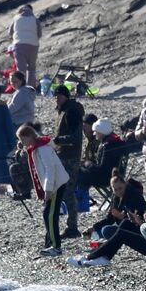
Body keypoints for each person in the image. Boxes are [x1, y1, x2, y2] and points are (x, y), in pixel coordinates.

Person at [73, 176, 146, 266]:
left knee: (121, 234)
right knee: (124, 225)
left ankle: (93, 257)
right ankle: (103, 255)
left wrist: (144, 221)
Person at [18, 122, 71, 256]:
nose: (22, 143)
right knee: (47, 214)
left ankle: (56, 246)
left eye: (23, 139)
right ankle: (51, 242)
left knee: (50, 215)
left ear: (30, 136)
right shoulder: (37, 147)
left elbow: (50, 169)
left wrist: (47, 189)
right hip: (53, 184)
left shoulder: (43, 149)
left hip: (55, 185)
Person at [52, 86, 87, 237]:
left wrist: (57, 140)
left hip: (70, 157)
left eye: (59, 95)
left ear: (66, 96)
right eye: (55, 95)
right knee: (63, 191)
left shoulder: (71, 111)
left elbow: (75, 138)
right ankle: (69, 226)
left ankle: (72, 227)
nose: (57, 98)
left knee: (68, 191)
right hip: (63, 156)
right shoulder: (63, 111)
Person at [86, 173, 146, 243]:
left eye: (120, 188)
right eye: (115, 190)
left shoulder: (134, 195)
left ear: (125, 185)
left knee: (106, 230)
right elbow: (109, 219)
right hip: (121, 225)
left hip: (136, 229)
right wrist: (93, 228)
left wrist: (122, 217)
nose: (118, 192)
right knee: (96, 232)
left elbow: (136, 220)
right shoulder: (115, 198)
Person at [79, 118, 130, 192]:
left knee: (78, 175)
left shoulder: (107, 145)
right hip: (109, 175)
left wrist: (87, 163)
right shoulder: (113, 142)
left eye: (96, 132)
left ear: (101, 132)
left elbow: (102, 169)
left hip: (105, 178)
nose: (94, 134)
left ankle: (81, 200)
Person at [9, 5, 42, 85]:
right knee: (31, 68)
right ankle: (30, 87)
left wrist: (15, 38)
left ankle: (21, 86)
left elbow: (10, 32)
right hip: (33, 46)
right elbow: (39, 34)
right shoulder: (35, 19)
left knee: (21, 68)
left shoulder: (16, 18)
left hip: (19, 45)